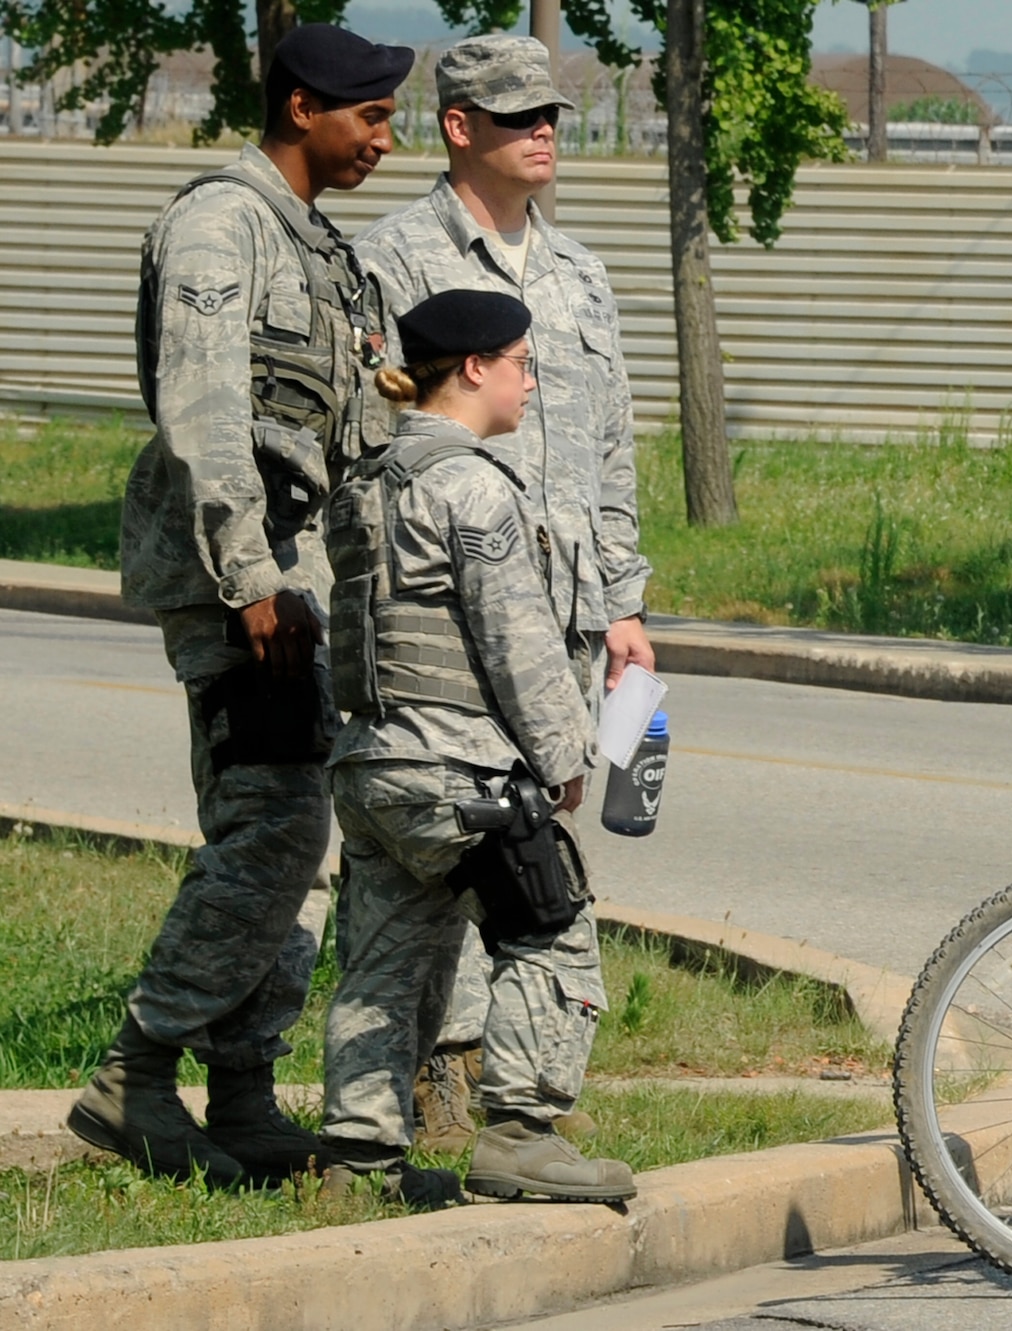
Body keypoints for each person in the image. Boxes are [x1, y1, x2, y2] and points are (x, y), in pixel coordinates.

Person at [69, 23, 411, 1188]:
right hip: (240, 586)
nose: (383, 137)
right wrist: (251, 573)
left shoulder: (315, 244)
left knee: (288, 834)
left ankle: (243, 1087)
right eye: (367, 115)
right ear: (303, 106)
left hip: (294, 579)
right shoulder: (222, 226)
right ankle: (138, 1068)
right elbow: (206, 409)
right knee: (270, 832)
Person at [354, 33, 654, 1151]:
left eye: (555, 116)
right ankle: (439, 1074)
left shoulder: (578, 272)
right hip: (441, 609)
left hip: (562, 610)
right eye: (518, 115)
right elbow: (368, 443)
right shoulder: (394, 258)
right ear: (457, 126)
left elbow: (613, 444)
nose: (544, 133)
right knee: (449, 837)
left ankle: (508, 1083)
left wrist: (622, 601)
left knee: (531, 841)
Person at [315, 288, 635, 1207]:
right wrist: (567, 759)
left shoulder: (366, 483)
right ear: (474, 369)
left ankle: (357, 1160)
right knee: (552, 927)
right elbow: (518, 641)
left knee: (383, 959)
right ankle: (523, 1135)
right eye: (524, 365)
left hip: (374, 768)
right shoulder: (472, 486)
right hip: (462, 773)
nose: (531, 384)